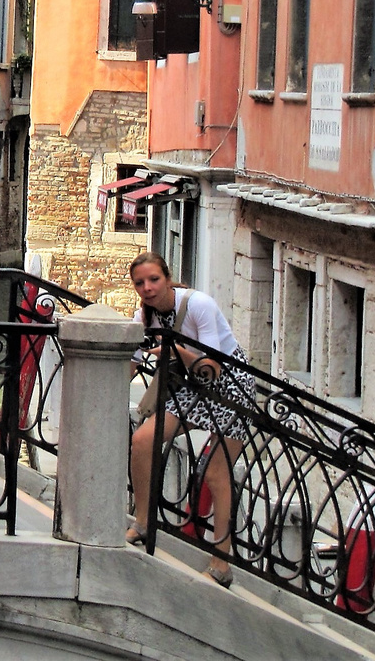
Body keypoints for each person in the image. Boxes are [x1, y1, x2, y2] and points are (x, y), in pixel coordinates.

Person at [125, 252, 254, 588]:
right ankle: (142, 522)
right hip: (190, 385)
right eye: (140, 283)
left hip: (230, 386)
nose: (148, 288)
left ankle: (221, 562)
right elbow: (133, 362)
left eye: (154, 280)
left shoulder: (200, 306)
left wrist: (175, 351)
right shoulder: (145, 316)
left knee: (215, 471)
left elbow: (212, 368)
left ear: (167, 278)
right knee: (142, 441)